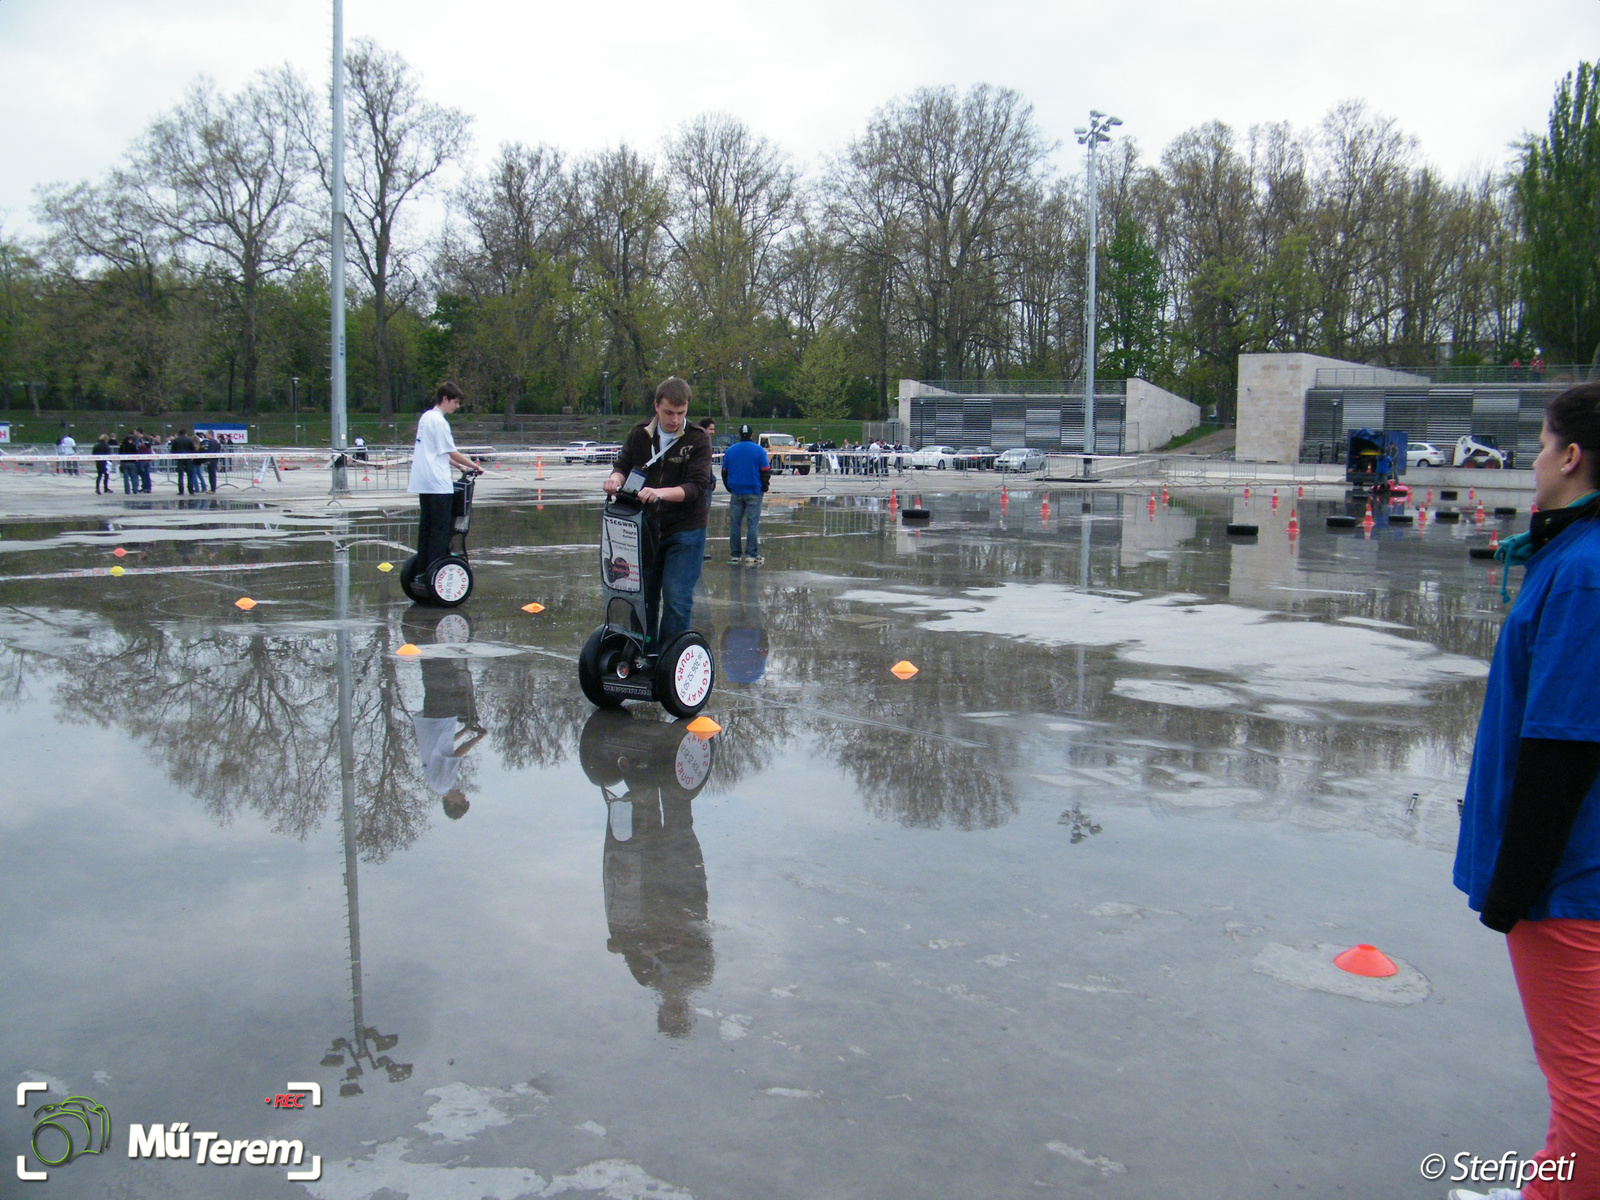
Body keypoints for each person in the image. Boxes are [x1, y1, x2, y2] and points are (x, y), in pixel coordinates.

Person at [1452, 382, 1600, 1200]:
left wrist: (1514, 882)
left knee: (1584, 1081)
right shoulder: (1573, 557)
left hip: (1568, 879)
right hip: (1569, 868)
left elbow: (1564, 745)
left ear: (1572, 457)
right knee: (1580, 1066)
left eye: (1542, 446)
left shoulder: (1584, 574)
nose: (1534, 461)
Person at [603, 377, 712, 650]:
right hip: (646, 528)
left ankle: (668, 660)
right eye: (668, 412)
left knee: (676, 598)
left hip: (685, 529)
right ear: (656, 407)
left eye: (681, 413)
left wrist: (660, 492)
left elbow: (697, 487)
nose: (675, 419)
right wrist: (615, 479)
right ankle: (641, 652)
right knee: (643, 596)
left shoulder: (697, 439)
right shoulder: (639, 434)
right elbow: (623, 465)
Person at [403, 382, 481, 600]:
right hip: (438, 484)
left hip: (424, 483)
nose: (457, 407)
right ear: (445, 399)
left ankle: (421, 570)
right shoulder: (439, 421)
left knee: (426, 529)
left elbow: (437, 452)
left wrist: (460, 467)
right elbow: (451, 452)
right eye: (455, 402)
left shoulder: (426, 418)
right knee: (440, 531)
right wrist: (475, 466)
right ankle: (433, 571)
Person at [721, 423, 770, 566]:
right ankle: (751, 554)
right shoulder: (759, 450)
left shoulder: (730, 451)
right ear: (752, 435)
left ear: (739, 435)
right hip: (754, 490)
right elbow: (765, 471)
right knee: (752, 524)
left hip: (736, 491)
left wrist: (730, 487)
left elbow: (725, 472)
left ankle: (735, 554)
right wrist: (764, 487)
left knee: (735, 524)